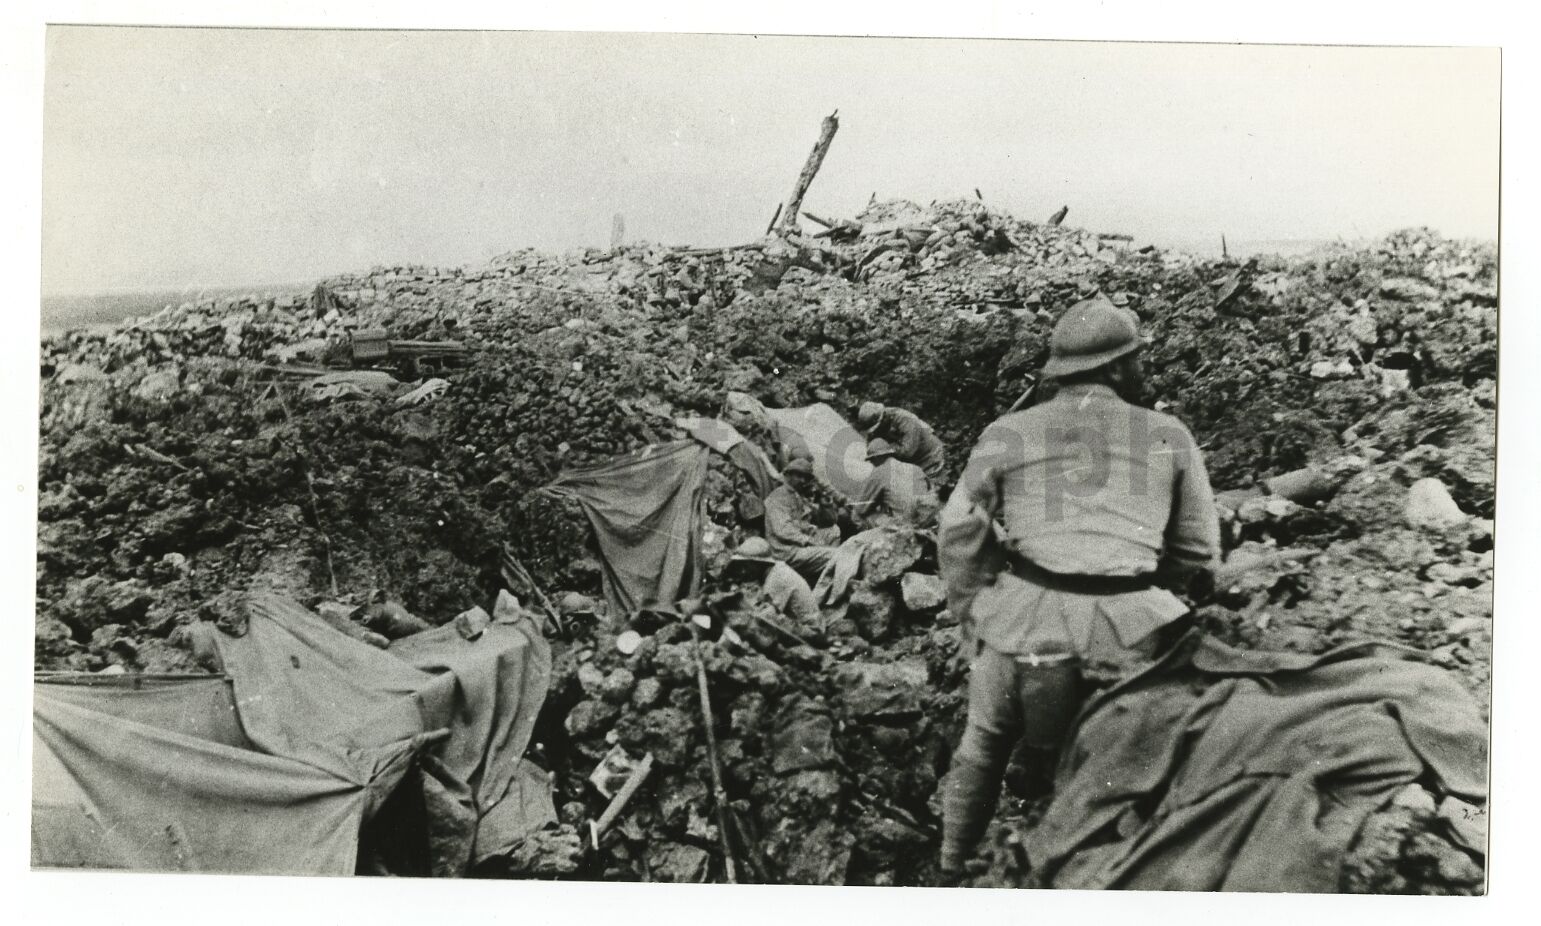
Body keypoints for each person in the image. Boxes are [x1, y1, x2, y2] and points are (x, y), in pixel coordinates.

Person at [935, 294, 1220, 876]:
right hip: (1132, 634)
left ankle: (951, 862)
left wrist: (973, 610)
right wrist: (1142, 591)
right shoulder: (1169, 433)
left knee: (983, 745)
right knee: (1137, 763)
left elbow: (958, 527)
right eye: (1134, 359)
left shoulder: (1007, 431)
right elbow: (1198, 549)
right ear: (1116, 367)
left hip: (1025, 619)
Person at [763, 458, 842, 582]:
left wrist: (825, 504)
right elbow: (783, 530)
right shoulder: (778, 497)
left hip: (799, 543)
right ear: (788, 474)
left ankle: (823, 570)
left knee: (834, 531)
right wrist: (810, 541)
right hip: (785, 551)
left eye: (806, 477)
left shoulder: (797, 495)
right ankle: (824, 577)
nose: (803, 481)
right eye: (799, 476)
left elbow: (827, 522)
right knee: (836, 555)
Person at [726, 537, 820, 624]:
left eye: (747, 565)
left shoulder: (776, 579)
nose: (744, 571)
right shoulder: (777, 568)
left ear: (759, 563)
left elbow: (766, 617)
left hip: (809, 627)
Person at [852, 438, 939, 528]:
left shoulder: (878, 473)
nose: (872, 463)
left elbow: (860, 509)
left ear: (877, 457)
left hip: (903, 525)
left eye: (872, 460)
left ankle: (873, 539)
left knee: (857, 515)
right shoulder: (915, 468)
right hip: (925, 518)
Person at [856, 401, 947, 483]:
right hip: (910, 462)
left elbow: (907, 451)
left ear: (882, 418)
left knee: (921, 490)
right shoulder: (879, 424)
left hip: (929, 458)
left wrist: (886, 449)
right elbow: (872, 446)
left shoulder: (905, 420)